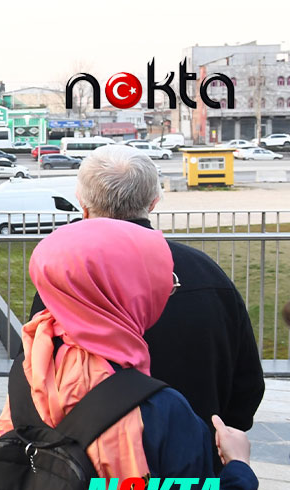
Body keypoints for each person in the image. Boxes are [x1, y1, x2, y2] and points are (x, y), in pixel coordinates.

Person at [0, 217, 258, 490]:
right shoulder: (161, 412)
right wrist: (238, 467)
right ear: (118, 292)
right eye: (159, 283)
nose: (165, 292)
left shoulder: (31, 374)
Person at [29, 145, 265, 436]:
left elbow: (36, 371)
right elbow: (247, 384)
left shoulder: (63, 280)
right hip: (194, 463)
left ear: (82, 203)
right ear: (153, 202)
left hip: (91, 465)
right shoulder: (206, 274)